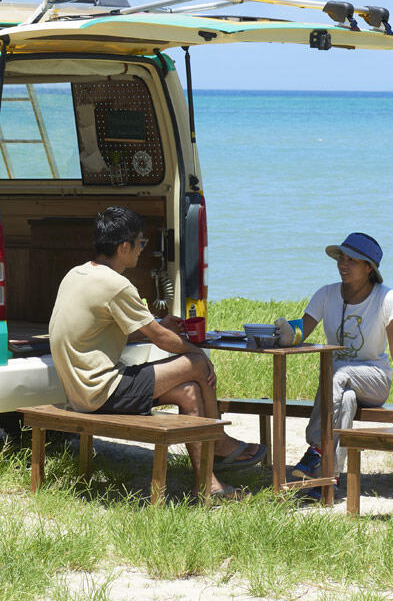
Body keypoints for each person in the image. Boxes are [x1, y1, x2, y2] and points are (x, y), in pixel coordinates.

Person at [49, 206, 266, 499]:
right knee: (196, 364)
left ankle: (208, 485)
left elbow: (116, 330)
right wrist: (197, 353)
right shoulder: (115, 284)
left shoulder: (77, 274)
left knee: (189, 392)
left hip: (80, 390)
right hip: (100, 390)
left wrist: (160, 326)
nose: (142, 249)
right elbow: (161, 340)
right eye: (140, 242)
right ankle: (220, 442)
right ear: (123, 247)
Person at [291, 232, 393, 483]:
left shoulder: (387, 298)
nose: (343, 264)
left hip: (375, 380)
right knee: (346, 401)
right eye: (341, 258)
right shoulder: (326, 294)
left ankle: (316, 448)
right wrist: (277, 332)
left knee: (337, 371)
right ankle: (328, 479)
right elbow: (300, 331)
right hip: (337, 386)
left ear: (369, 268)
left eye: (352, 260)